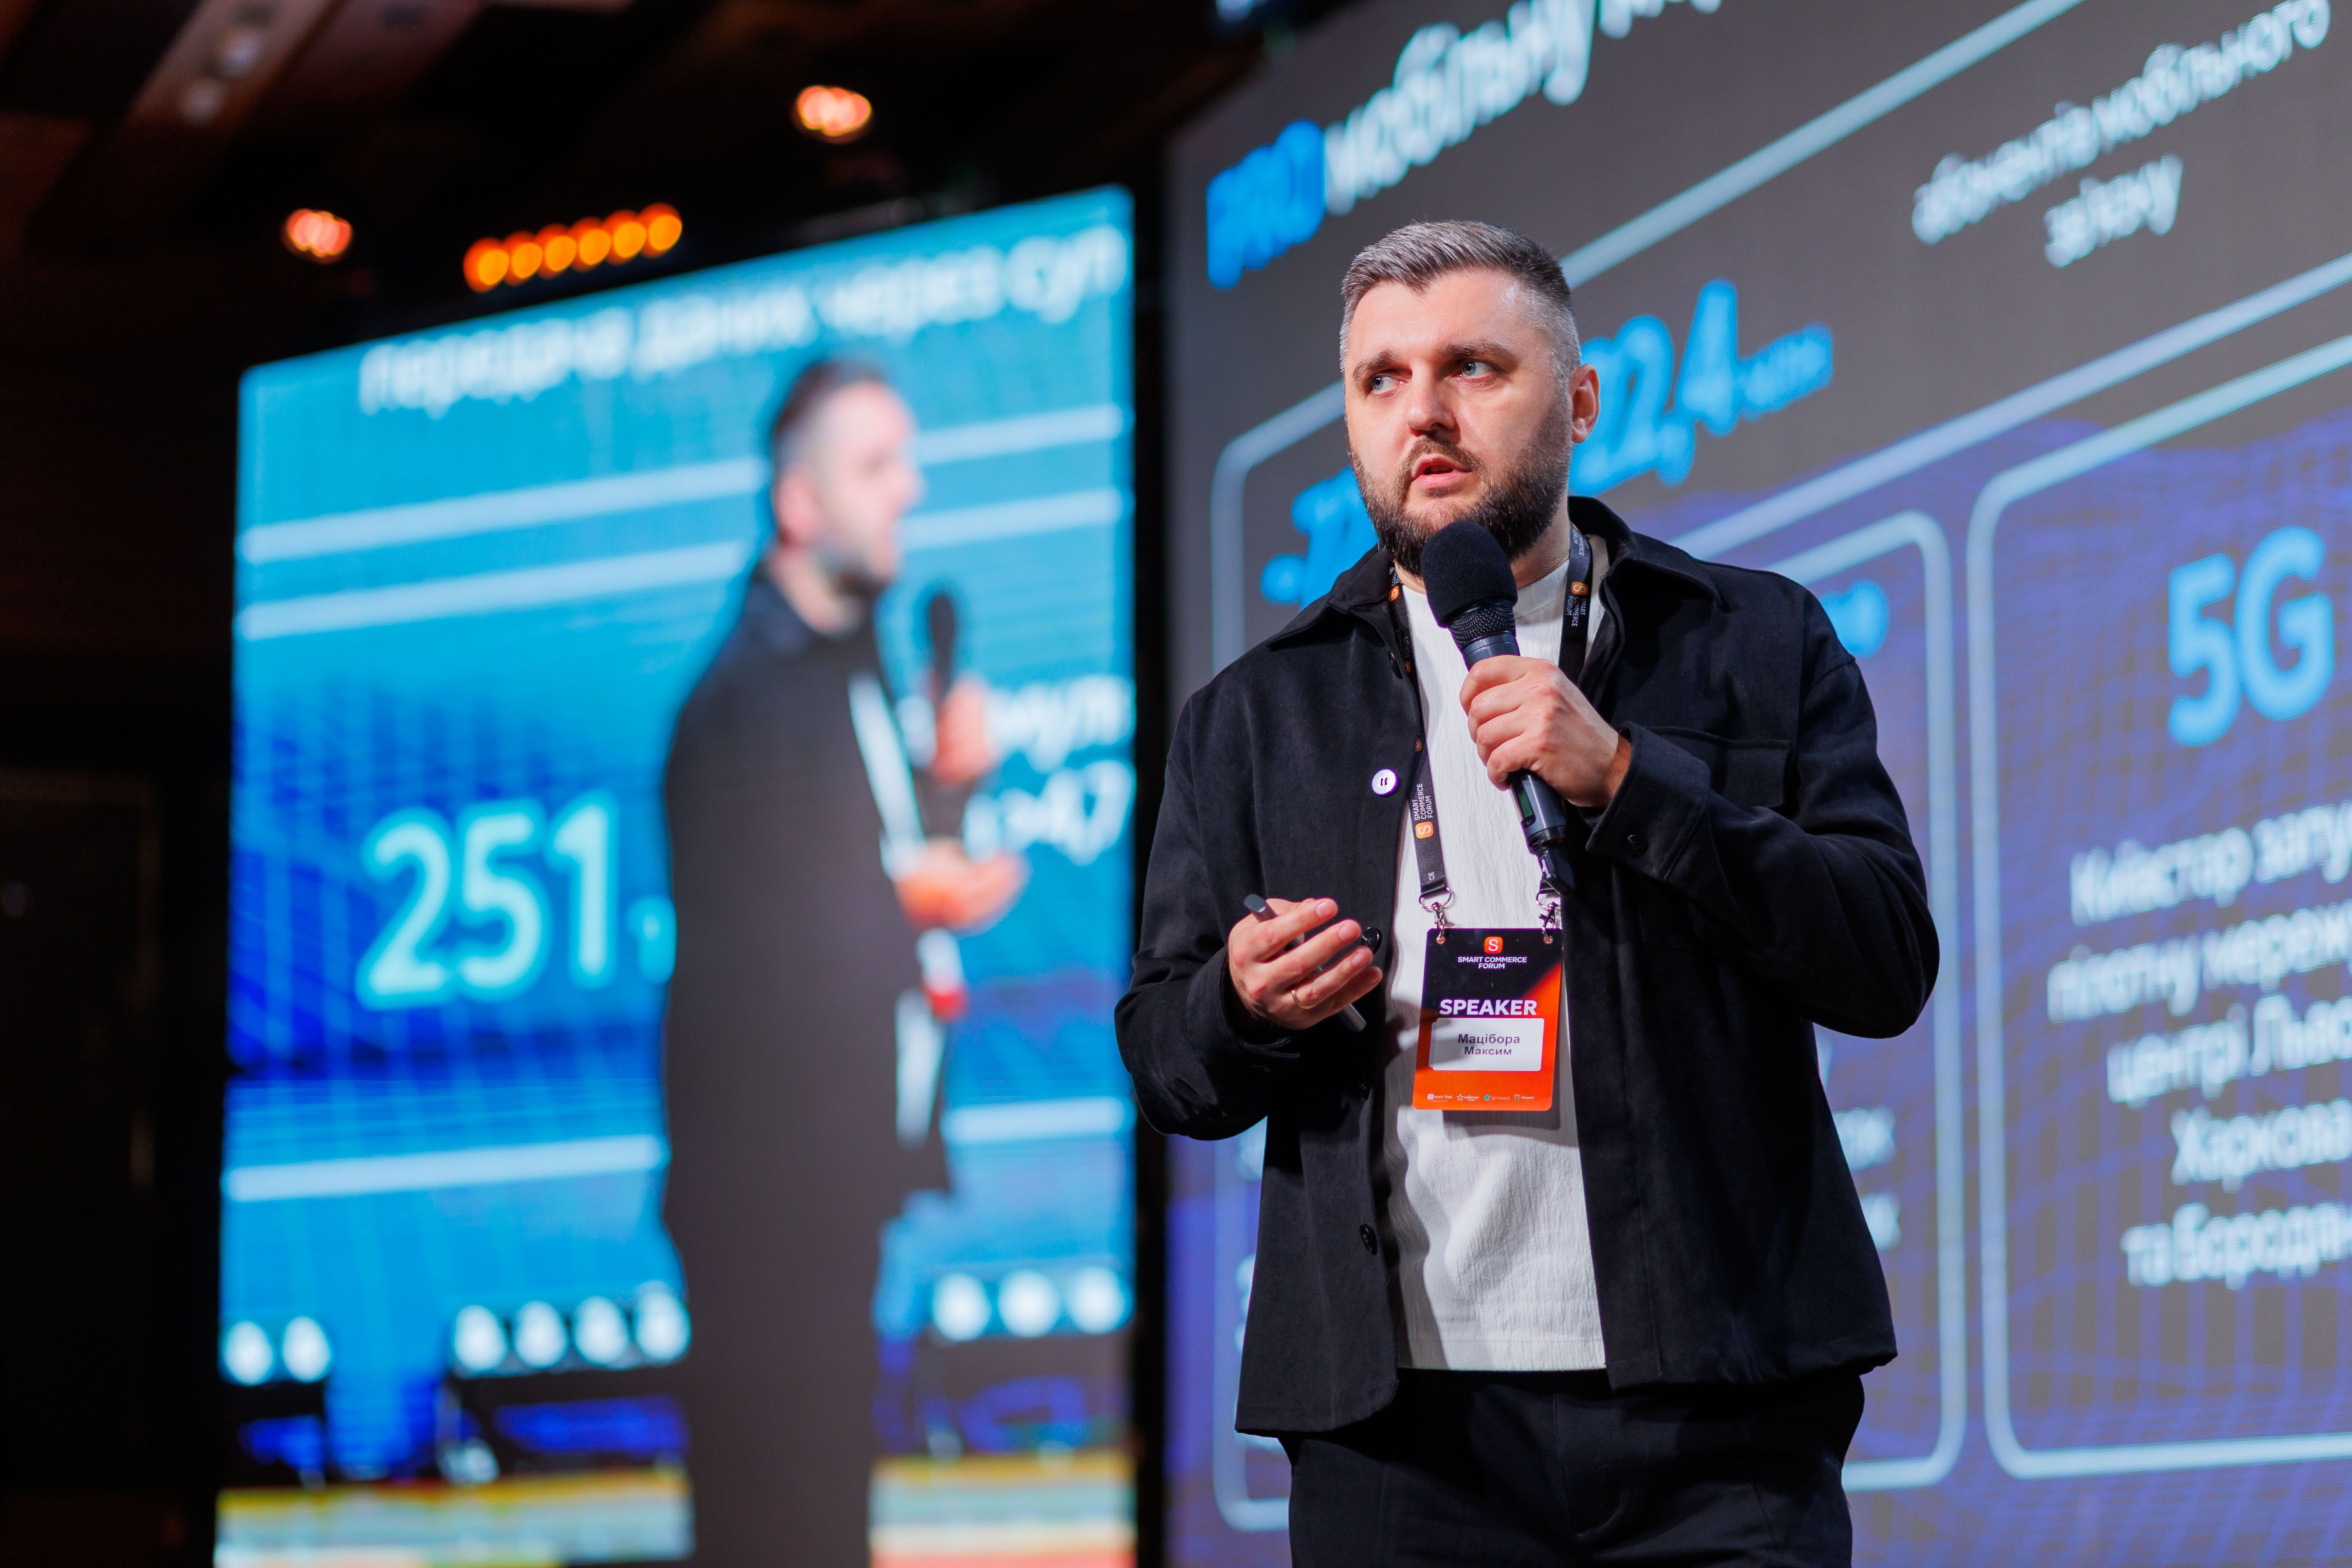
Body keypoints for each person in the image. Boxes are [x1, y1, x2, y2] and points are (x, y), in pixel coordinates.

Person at [1118, 222, 1936, 1565]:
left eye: (1473, 368)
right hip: (1402, 1446)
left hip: (1719, 1411)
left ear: (1582, 399)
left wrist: (1629, 782)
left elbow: (1885, 957)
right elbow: (1167, 1060)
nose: (1423, 413)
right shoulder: (1257, 714)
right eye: (1382, 380)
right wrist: (1243, 1005)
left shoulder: (1752, 641)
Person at [663, 359, 1026, 1565]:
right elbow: (757, 952)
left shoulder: (844, 659)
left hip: (830, 1186)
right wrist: (907, 898)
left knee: (825, 1515)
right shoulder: (741, 704)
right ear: (798, 502)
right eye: (876, 466)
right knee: (780, 1525)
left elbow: (847, 853)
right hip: (764, 1200)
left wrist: (943, 792)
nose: (908, 490)